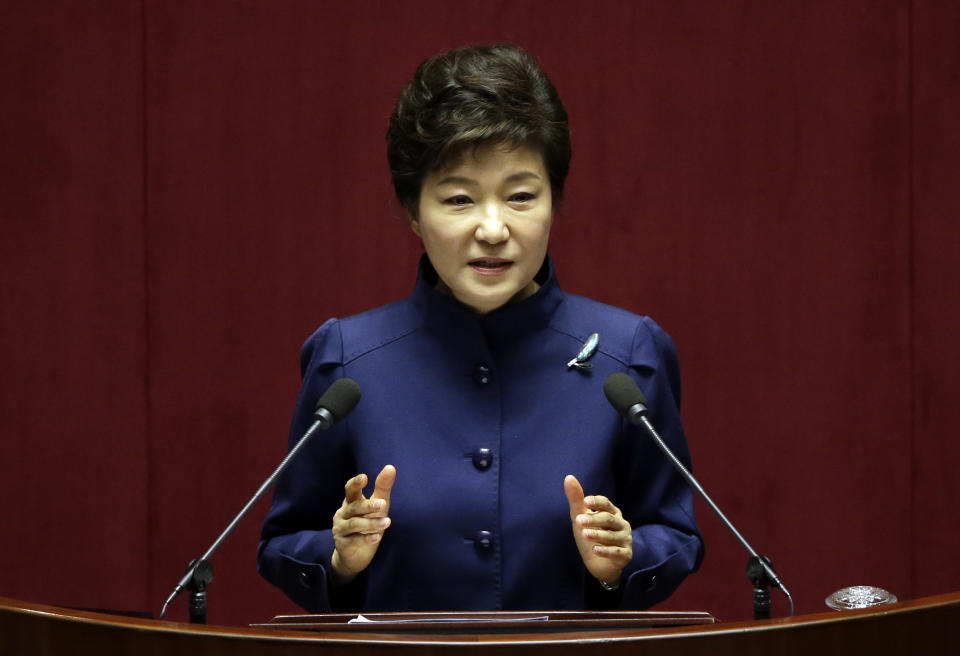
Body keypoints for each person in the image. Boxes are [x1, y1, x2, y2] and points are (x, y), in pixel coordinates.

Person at [258, 43, 703, 613]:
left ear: (553, 201)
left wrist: (626, 558)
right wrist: (340, 556)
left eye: (520, 196)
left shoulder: (628, 355)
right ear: (415, 212)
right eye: (460, 199)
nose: (493, 229)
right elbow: (284, 542)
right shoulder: (346, 359)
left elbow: (676, 532)